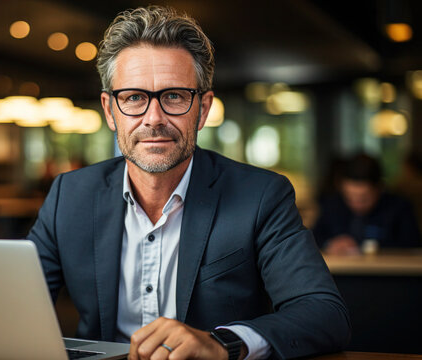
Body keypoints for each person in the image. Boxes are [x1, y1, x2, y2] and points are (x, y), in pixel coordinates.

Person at [28, 6, 350, 360]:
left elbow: (324, 313)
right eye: (134, 97)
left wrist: (223, 343)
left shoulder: (261, 196)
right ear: (109, 110)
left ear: (204, 108)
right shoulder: (69, 195)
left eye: (174, 96)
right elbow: (15, 303)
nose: (154, 119)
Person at [313, 153, 421, 255]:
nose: (356, 204)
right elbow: (314, 238)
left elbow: (412, 245)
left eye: (364, 198)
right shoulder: (332, 205)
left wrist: (368, 246)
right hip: (340, 272)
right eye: (349, 197)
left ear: (379, 188)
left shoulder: (399, 207)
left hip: (388, 271)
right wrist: (329, 244)